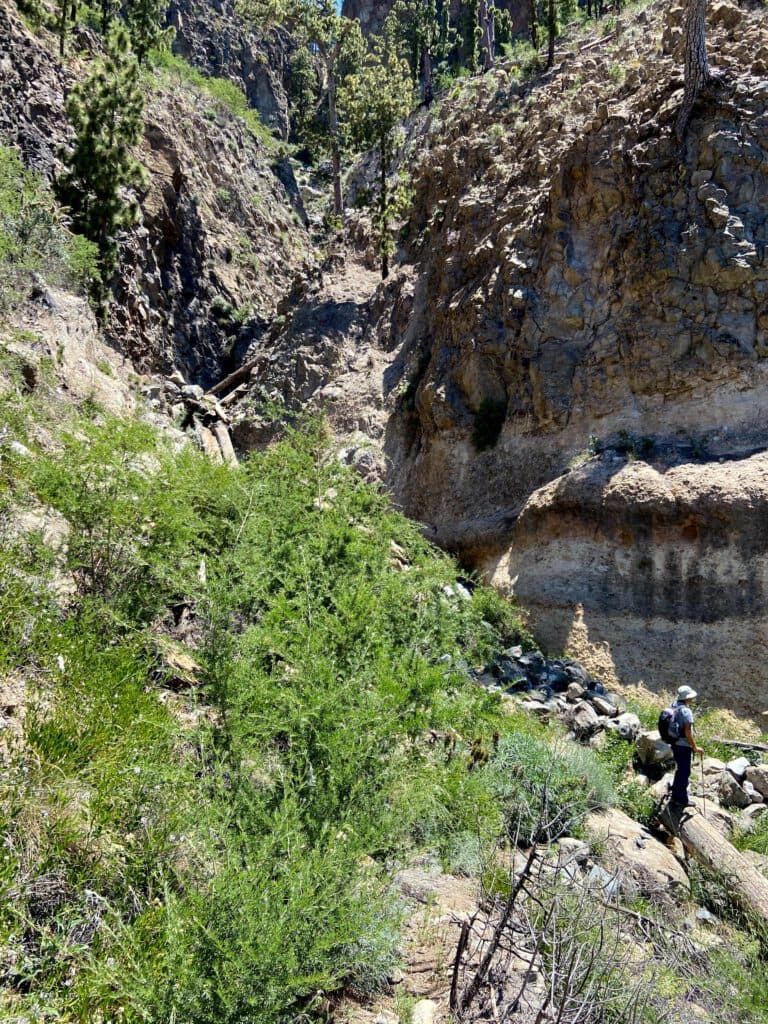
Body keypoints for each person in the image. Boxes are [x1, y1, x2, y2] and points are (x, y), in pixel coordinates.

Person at [670, 685, 704, 808]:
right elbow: (688, 732)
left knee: (680, 770)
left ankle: (675, 795)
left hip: (674, 743)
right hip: (683, 746)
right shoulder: (686, 711)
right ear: (687, 698)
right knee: (685, 772)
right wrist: (695, 747)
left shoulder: (674, 705)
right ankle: (682, 799)